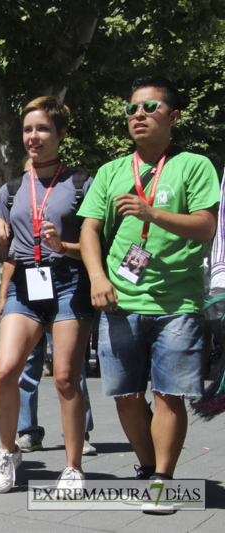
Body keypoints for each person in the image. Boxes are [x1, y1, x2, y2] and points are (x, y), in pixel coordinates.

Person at [79, 76, 219, 513]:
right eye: (132, 108)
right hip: (119, 299)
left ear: (174, 117)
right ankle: (147, 466)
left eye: (151, 107)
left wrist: (152, 213)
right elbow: (89, 229)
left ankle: (163, 479)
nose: (138, 115)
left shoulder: (194, 165)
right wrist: (98, 278)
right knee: (123, 394)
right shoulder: (111, 171)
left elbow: (206, 225)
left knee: (169, 394)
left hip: (177, 302)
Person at [0, 96, 94, 492]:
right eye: (28, 129)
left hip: (69, 282)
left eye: (44, 129)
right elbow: (6, 252)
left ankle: (73, 465)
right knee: (4, 372)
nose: (34, 137)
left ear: (61, 134)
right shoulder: (11, 188)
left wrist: (62, 246)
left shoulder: (83, 183)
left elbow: (99, 248)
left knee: (66, 377)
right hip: (24, 285)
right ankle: (7, 451)